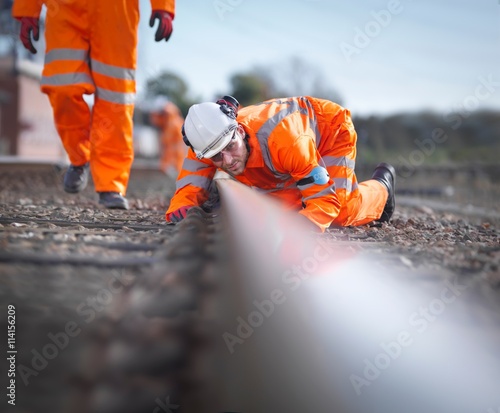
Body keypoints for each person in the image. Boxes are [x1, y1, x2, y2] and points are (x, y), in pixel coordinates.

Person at [12, 0, 176, 210]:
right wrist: (27, 9)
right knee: (63, 87)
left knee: (115, 100)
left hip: (117, 11)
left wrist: (164, 7)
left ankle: (111, 185)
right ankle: (79, 158)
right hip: (64, 8)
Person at [165, 95, 396, 233]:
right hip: (289, 140)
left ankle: (382, 189)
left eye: (231, 147)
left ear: (238, 130)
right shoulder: (207, 141)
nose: (228, 160)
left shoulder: (287, 142)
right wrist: (183, 203)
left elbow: (323, 199)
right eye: (216, 157)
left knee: (340, 212)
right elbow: (191, 181)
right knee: (283, 207)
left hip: (330, 131)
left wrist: (302, 231)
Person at [148, 96, 186, 178]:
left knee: (174, 152)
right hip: (176, 134)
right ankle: (173, 170)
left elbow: (169, 135)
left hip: (176, 135)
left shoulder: (170, 118)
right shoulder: (169, 115)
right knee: (172, 151)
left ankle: (175, 170)